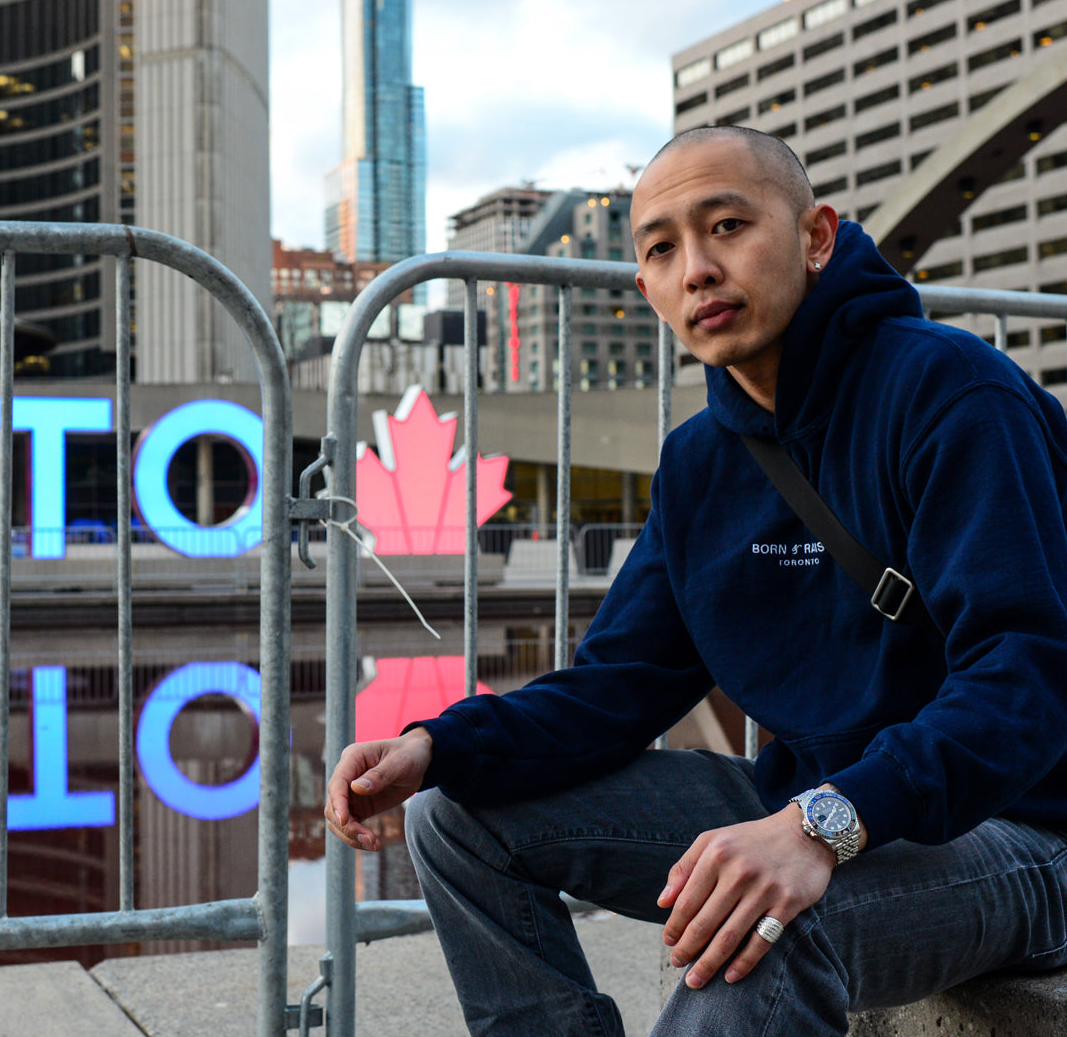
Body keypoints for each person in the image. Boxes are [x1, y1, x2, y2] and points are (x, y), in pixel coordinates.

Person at [325, 126, 1067, 1036]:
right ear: (647, 291)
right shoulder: (701, 462)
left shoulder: (952, 393)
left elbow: (1025, 679)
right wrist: (437, 742)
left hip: (1024, 832)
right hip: (815, 803)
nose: (699, 269)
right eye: (664, 249)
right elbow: (619, 686)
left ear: (817, 237)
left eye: (727, 226)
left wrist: (822, 825)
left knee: (763, 925)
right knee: (456, 815)